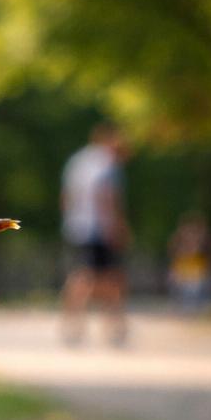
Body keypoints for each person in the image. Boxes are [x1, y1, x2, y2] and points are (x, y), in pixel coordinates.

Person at [60, 123, 131, 345]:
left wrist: (72, 221)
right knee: (104, 277)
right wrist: (115, 226)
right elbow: (106, 196)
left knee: (91, 275)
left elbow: (66, 197)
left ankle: (78, 324)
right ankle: (113, 327)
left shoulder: (78, 161)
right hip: (99, 228)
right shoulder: (106, 164)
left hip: (78, 226)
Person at [167, 212, 211, 309]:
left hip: (197, 273)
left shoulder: (203, 242)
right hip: (184, 272)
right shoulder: (179, 242)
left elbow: (208, 259)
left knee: (195, 289)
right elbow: (173, 255)